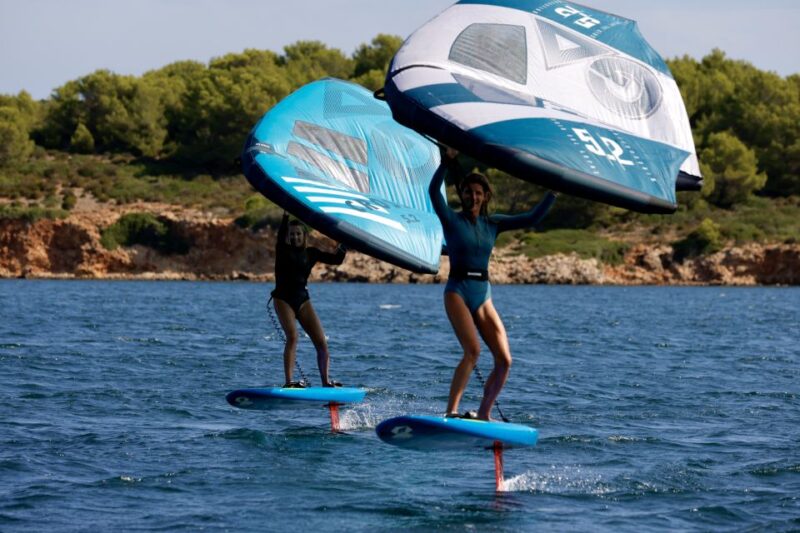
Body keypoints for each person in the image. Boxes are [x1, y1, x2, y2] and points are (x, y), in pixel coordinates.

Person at [429, 148, 557, 420]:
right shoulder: (452, 220)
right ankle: (451, 412)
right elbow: (432, 194)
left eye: (477, 193)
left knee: (504, 360)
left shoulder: (494, 224)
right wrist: (445, 163)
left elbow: (532, 218)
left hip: (483, 293)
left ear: (485, 197)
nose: (472, 197)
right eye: (467, 192)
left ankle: (484, 415)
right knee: (472, 351)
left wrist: (554, 192)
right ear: (461, 195)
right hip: (457, 292)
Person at [271, 212, 346, 388]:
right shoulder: (282, 250)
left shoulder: (311, 253)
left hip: (303, 300)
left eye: (298, 234)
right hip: (283, 299)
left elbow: (336, 260)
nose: (295, 237)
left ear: (304, 235)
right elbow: (281, 234)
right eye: (292, 234)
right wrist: (285, 214)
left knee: (321, 342)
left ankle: (326, 382)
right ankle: (289, 382)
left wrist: (344, 242)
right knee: (293, 337)